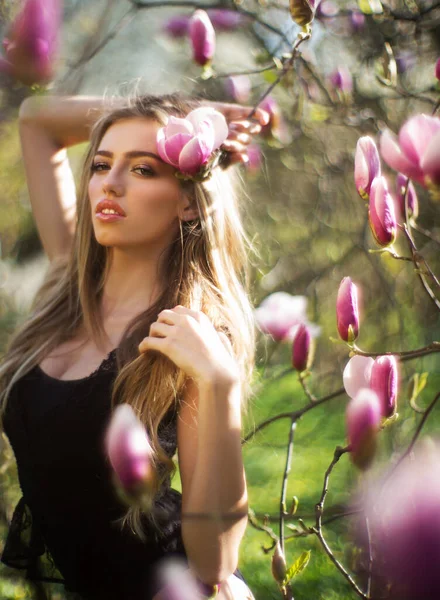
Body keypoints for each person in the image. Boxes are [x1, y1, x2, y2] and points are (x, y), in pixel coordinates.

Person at [0, 92, 268, 600]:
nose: (110, 183)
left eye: (143, 170)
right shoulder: (70, 290)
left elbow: (213, 563)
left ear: (188, 201)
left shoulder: (191, 336)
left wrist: (220, 385)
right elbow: (36, 120)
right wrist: (189, 117)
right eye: (101, 165)